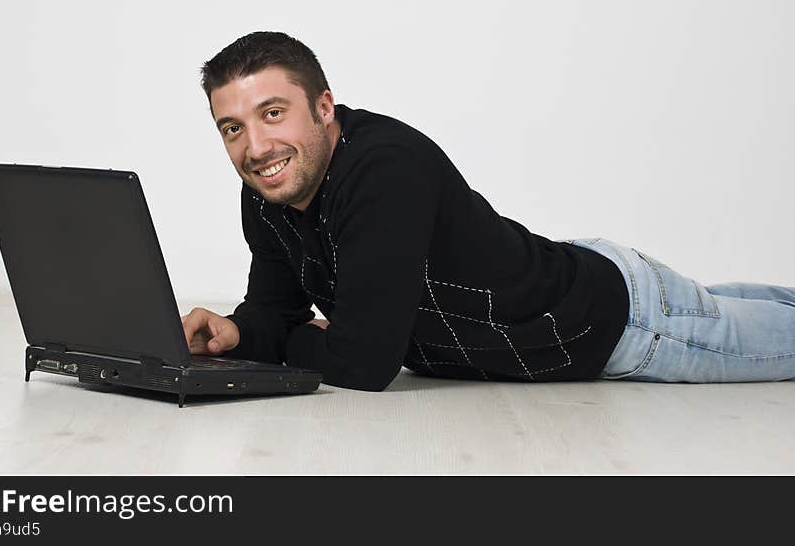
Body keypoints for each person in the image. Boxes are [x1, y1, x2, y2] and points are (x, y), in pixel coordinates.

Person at [181, 31, 795, 391]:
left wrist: (296, 342)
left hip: (618, 325)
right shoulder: (269, 191)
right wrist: (241, 334)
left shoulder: (383, 169)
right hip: (579, 274)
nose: (255, 148)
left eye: (272, 113)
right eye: (232, 127)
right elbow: (278, 308)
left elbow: (364, 364)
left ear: (324, 106)